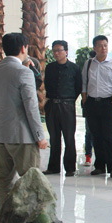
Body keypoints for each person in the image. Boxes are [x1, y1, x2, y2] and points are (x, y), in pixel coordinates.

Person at [0, 33, 47, 210]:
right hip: (23, 136)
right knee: (31, 182)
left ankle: (4, 218)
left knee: (4, 181)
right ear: (23, 48)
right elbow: (31, 107)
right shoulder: (24, 72)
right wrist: (40, 135)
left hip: (1, 133)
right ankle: (30, 220)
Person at [81, 35, 112, 178]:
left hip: (107, 103)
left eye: (105, 45)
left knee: (108, 136)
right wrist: (85, 99)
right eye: (100, 46)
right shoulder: (88, 63)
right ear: (94, 48)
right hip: (92, 103)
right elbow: (84, 83)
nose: (103, 48)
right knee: (96, 136)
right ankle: (99, 166)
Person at [43, 40, 82, 176]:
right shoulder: (50, 68)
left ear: (66, 51)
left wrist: (69, 100)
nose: (56, 53)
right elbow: (47, 85)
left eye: (59, 50)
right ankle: (53, 167)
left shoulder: (74, 68)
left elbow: (78, 87)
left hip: (67, 106)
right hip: (52, 105)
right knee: (54, 138)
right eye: (54, 51)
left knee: (69, 138)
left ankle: (70, 168)